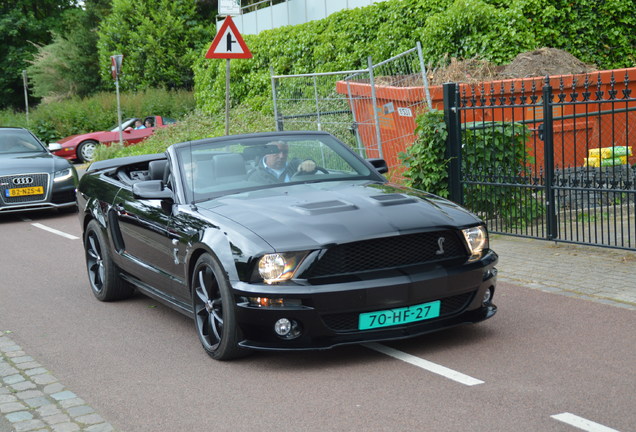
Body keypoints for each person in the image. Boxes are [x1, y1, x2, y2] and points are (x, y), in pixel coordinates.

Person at [247, 140, 317, 184]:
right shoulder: (255, 175)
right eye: (277, 152)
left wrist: (309, 162)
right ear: (266, 152)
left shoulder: (294, 166)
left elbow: (303, 163)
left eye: (285, 152)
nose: (281, 156)